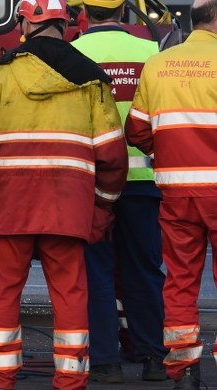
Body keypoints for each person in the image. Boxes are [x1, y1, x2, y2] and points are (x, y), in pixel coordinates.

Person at [0, 0, 129, 388]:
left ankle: (0, 378)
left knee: (3, 290)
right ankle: (70, 380)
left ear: (24, 24)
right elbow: (113, 157)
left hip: (6, 205)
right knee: (69, 292)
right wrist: (102, 205)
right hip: (68, 206)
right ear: (66, 25)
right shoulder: (93, 80)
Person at [70, 0, 168, 382]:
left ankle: (106, 362)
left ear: (86, 12)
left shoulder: (72, 53)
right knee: (144, 269)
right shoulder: (151, 53)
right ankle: (154, 359)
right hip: (144, 184)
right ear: (124, 12)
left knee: (95, 271)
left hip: (92, 183)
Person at [124, 0, 217, 388]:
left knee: (179, 279)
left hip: (177, 191)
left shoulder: (158, 65)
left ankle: (183, 369)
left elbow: (138, 131)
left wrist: (167, 154)